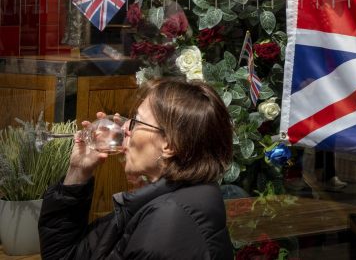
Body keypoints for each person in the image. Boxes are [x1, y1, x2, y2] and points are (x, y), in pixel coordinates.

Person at [39, 78, 234, 259]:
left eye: (136, 121)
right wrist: (78, 172)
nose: (124, 129)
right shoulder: (178, 197)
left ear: (170, 145)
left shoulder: (166, 224)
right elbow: (64, 255)